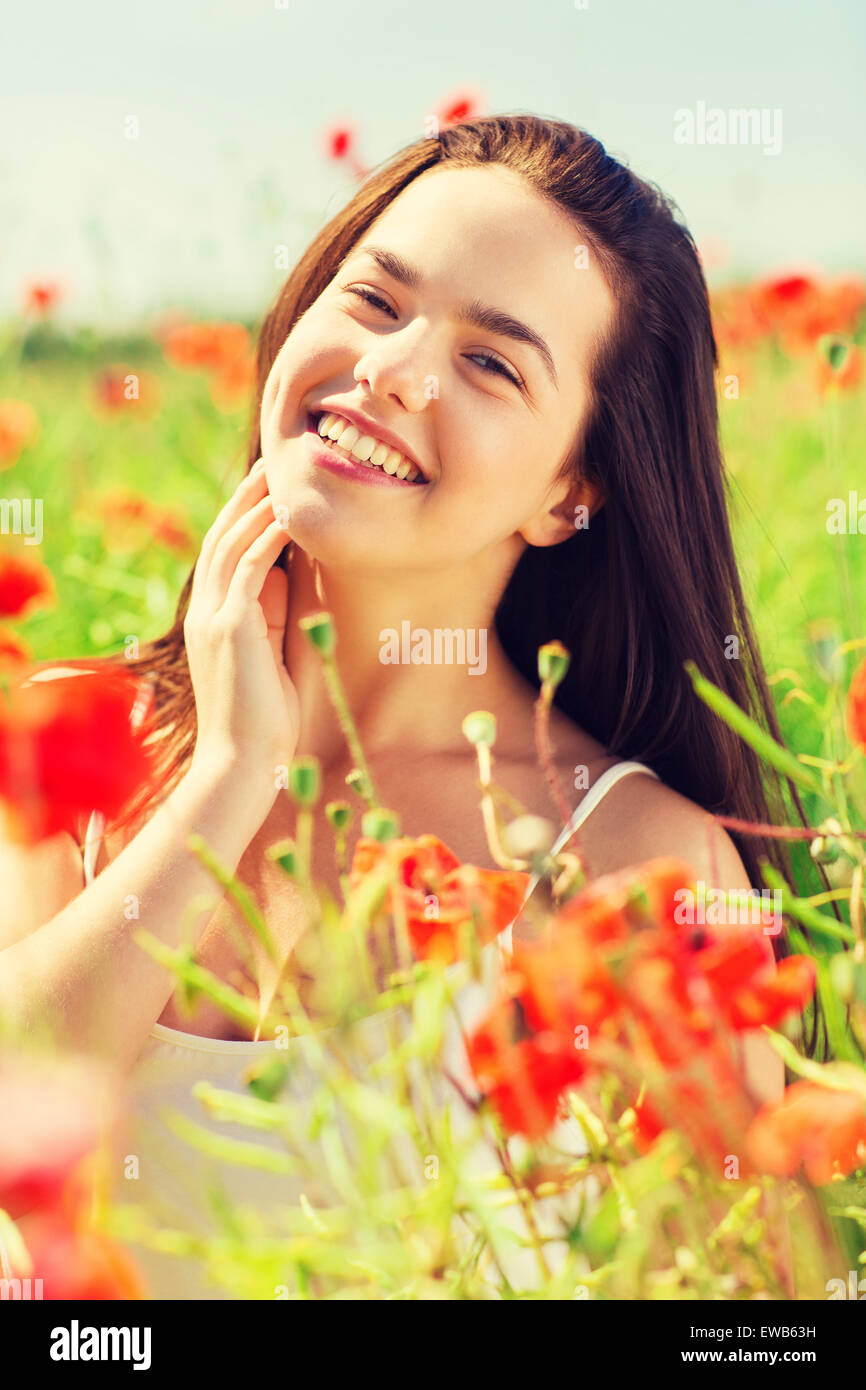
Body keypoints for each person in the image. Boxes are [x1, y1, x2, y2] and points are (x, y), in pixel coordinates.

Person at [0, 115, 800, 1297]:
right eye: (374, 301)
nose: (390, 368)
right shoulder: (72, 738)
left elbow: (751, 1307)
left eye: (490, 362)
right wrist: (226, 778)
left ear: (570, 491)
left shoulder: (640, 860)